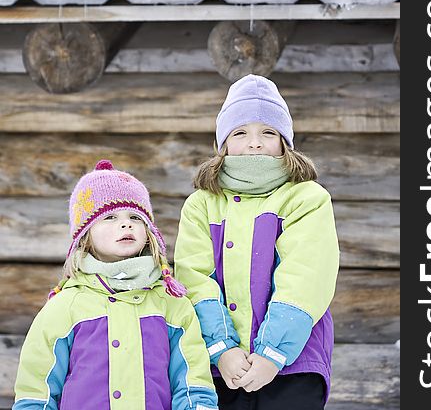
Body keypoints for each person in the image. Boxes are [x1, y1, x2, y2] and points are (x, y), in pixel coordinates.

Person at [174, 74, 340, 410]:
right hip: (222, 367)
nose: (254, 143)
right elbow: (193, 277)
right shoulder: (202, 204)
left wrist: (272, 353)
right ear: (224, 144)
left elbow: (306, 276)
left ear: (284, 142)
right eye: (240, 132)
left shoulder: (306, 198)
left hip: (293, 363)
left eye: (267, 132)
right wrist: (221, 347)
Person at [13, 159, 218, 410]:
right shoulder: (65, 307)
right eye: (109, 217)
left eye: (135, 216)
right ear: (85, 236)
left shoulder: (171, 303)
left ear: (148, 232)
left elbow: (192, 380)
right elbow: (37, 389)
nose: (126, 223)